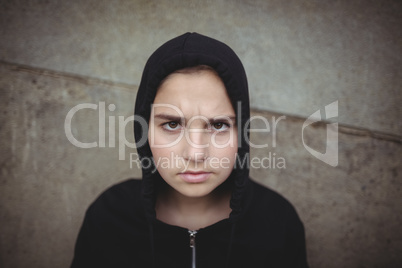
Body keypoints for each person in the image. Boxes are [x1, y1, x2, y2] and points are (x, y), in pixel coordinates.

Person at [71, 32, 309, 268]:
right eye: (172, 124)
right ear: (143, 130)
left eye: (218, 125)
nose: (196, 154)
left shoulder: (277, 222)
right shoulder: (110, 217)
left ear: (242, 132)